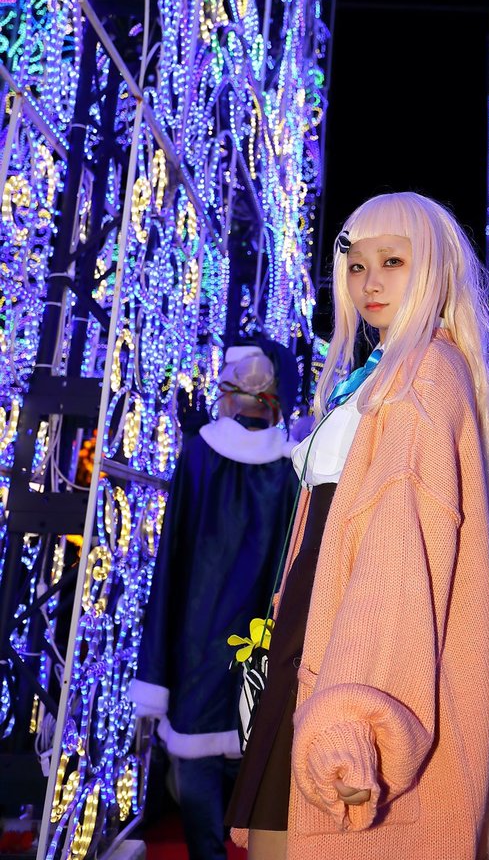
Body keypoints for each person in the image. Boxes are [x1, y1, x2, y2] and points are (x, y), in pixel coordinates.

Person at [225, 192, 489, 860]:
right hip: (318, 646)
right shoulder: (385, 375)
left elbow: (397, 563)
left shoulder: (423, 375)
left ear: (432, 267)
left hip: (352, 667)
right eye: (356, 265)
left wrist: (354, 721)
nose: (370, 281)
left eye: (393, 261)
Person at [129, 337, 301, 860]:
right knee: (256, 742)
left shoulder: (200, 455)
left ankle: (209, 852)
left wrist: (158, 658)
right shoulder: (291, 467)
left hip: (198, 633)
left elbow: (174, 553)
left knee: (197, 751)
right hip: (262, 633)